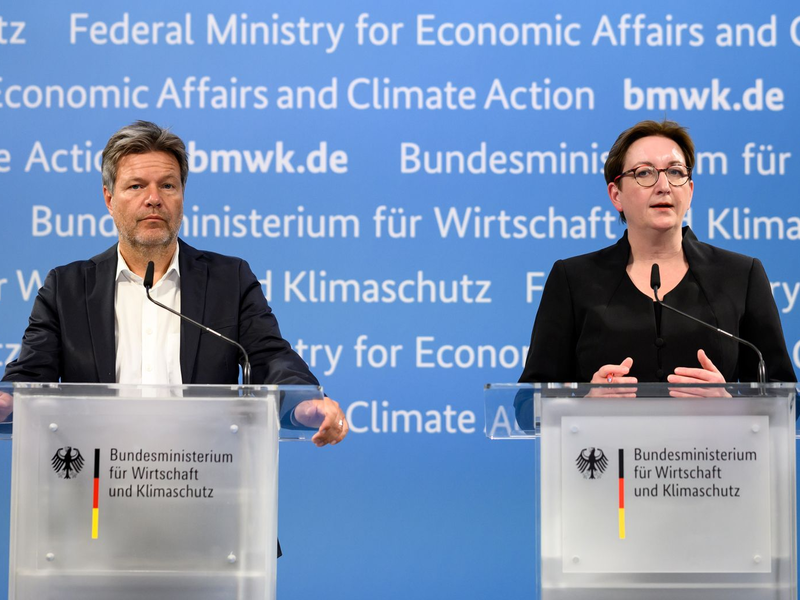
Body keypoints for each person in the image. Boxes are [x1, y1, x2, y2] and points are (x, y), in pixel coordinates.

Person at [2, 120, 348, 446]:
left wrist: (304, 402)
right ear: (109, 199)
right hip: (97, 476)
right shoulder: (67, 288)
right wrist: (7, 400)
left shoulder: (229, 281)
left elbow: (270, 359)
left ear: (182, 195)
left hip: (203, 475)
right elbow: (31, 375)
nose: (154, 198)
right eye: (136, 186)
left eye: (167, 185)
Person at [519, 119, 795, 387]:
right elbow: (528, 403)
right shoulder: (573, 280)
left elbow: (783, 397)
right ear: (616, 195)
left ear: (689, 191)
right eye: (644, 173)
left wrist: (729, 405)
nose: (664, 186)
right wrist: (587, 402)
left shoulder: (741, 276)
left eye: (675, 172)